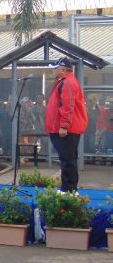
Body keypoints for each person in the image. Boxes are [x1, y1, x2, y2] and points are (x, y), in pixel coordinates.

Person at [45, 57, 88, 193]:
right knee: (69, 159)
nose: (53, 70)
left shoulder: (67, 83)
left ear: (63, 69)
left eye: (55, 68)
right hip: (67, 128)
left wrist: (63, 125)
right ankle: (70, 189)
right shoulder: (66, 81)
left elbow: (67, 106)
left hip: (66, 129)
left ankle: (68, 190)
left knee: (67, 160)